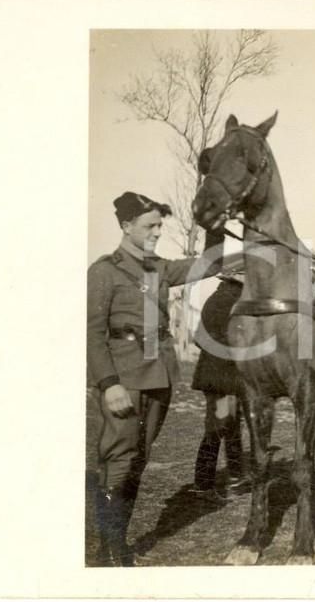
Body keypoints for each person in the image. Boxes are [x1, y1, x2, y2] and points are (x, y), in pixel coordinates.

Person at [87, 191, 224, 566]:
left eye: (160, 225)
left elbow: (207, 267)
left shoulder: (158, 268)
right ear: (125, 225)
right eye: (150, 225)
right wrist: (109, 384)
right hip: (123, 379)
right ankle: (110, 551)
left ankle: (118, 541)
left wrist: (216, 225)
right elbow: (92, 333)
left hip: (158, 378)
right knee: (119, 459)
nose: (157, 232)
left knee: (138, 460)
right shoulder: (104, 271)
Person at [189, 263, 249, 504]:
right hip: (219, 379)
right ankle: (203, 486)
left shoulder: (224, 297)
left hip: (225, 378)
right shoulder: (225, 301)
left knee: (230, 427)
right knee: (216, 429)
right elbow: (215, 340)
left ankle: (235, 478)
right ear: (236, 278)